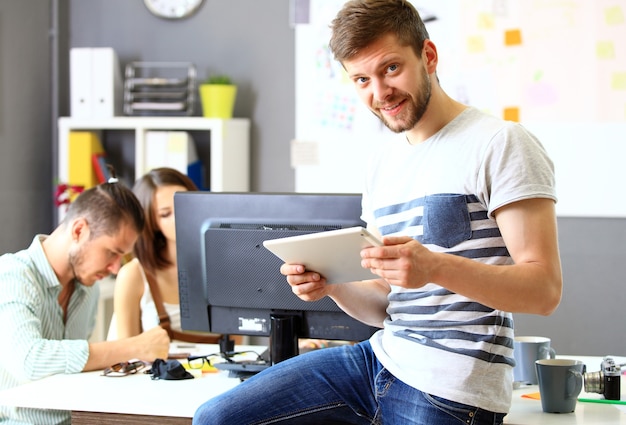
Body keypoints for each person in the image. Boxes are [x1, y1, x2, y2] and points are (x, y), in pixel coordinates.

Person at [193, 1, 562, 424]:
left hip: (453, 384)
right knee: (217, 418)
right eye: (362, 79)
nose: (379, 93)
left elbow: (544, 290)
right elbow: (387, 304)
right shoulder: (382, 164)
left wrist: (434, 267)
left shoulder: (500, 143)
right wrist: (330, 284)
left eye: (390, 68)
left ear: (428, 56)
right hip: (379, 360)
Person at [0, 181, 170, 424]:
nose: (114, 268)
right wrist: (135, 346)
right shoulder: (13, 275)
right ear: (79, 230)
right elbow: (29, 361)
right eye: (112, 252)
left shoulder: (88, 289)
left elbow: (74, 370)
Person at [109, 167, 220, 343]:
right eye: (166, 214)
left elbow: (239, 348)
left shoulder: (223, 269)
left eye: (186, 206)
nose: (180, 217)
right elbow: (124, 353)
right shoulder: (133, 275)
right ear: (152, 222)